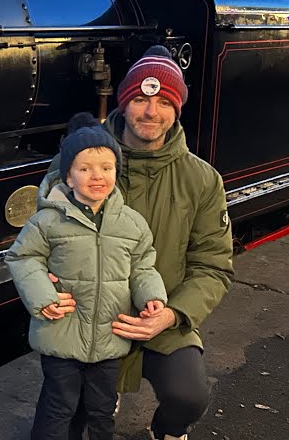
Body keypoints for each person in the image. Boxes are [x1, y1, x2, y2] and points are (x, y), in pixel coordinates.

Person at [39, 46, 234, 440]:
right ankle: (101, 393)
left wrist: (172, 314)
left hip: (159, 316)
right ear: (124, 102)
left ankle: (167, 429)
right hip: (89, 319)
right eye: (141, 99)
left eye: (164, 101)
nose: (150, 112)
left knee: (189, 395)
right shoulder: (76, 162)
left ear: (177, 110)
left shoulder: (203, 180)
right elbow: (41, 241)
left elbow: (213, 266)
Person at [6, 113, 169, 440]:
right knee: (59, 406)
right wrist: (42, 297)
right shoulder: (47, 222)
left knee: (101, 408)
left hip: (109, 337)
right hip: (61, 332)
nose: (98, 177)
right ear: (68, 176)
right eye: (85, 169)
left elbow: (141, 265)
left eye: (107, 168)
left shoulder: (132, 223)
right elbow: (23, 257)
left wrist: (151, 296)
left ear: (116, 173)